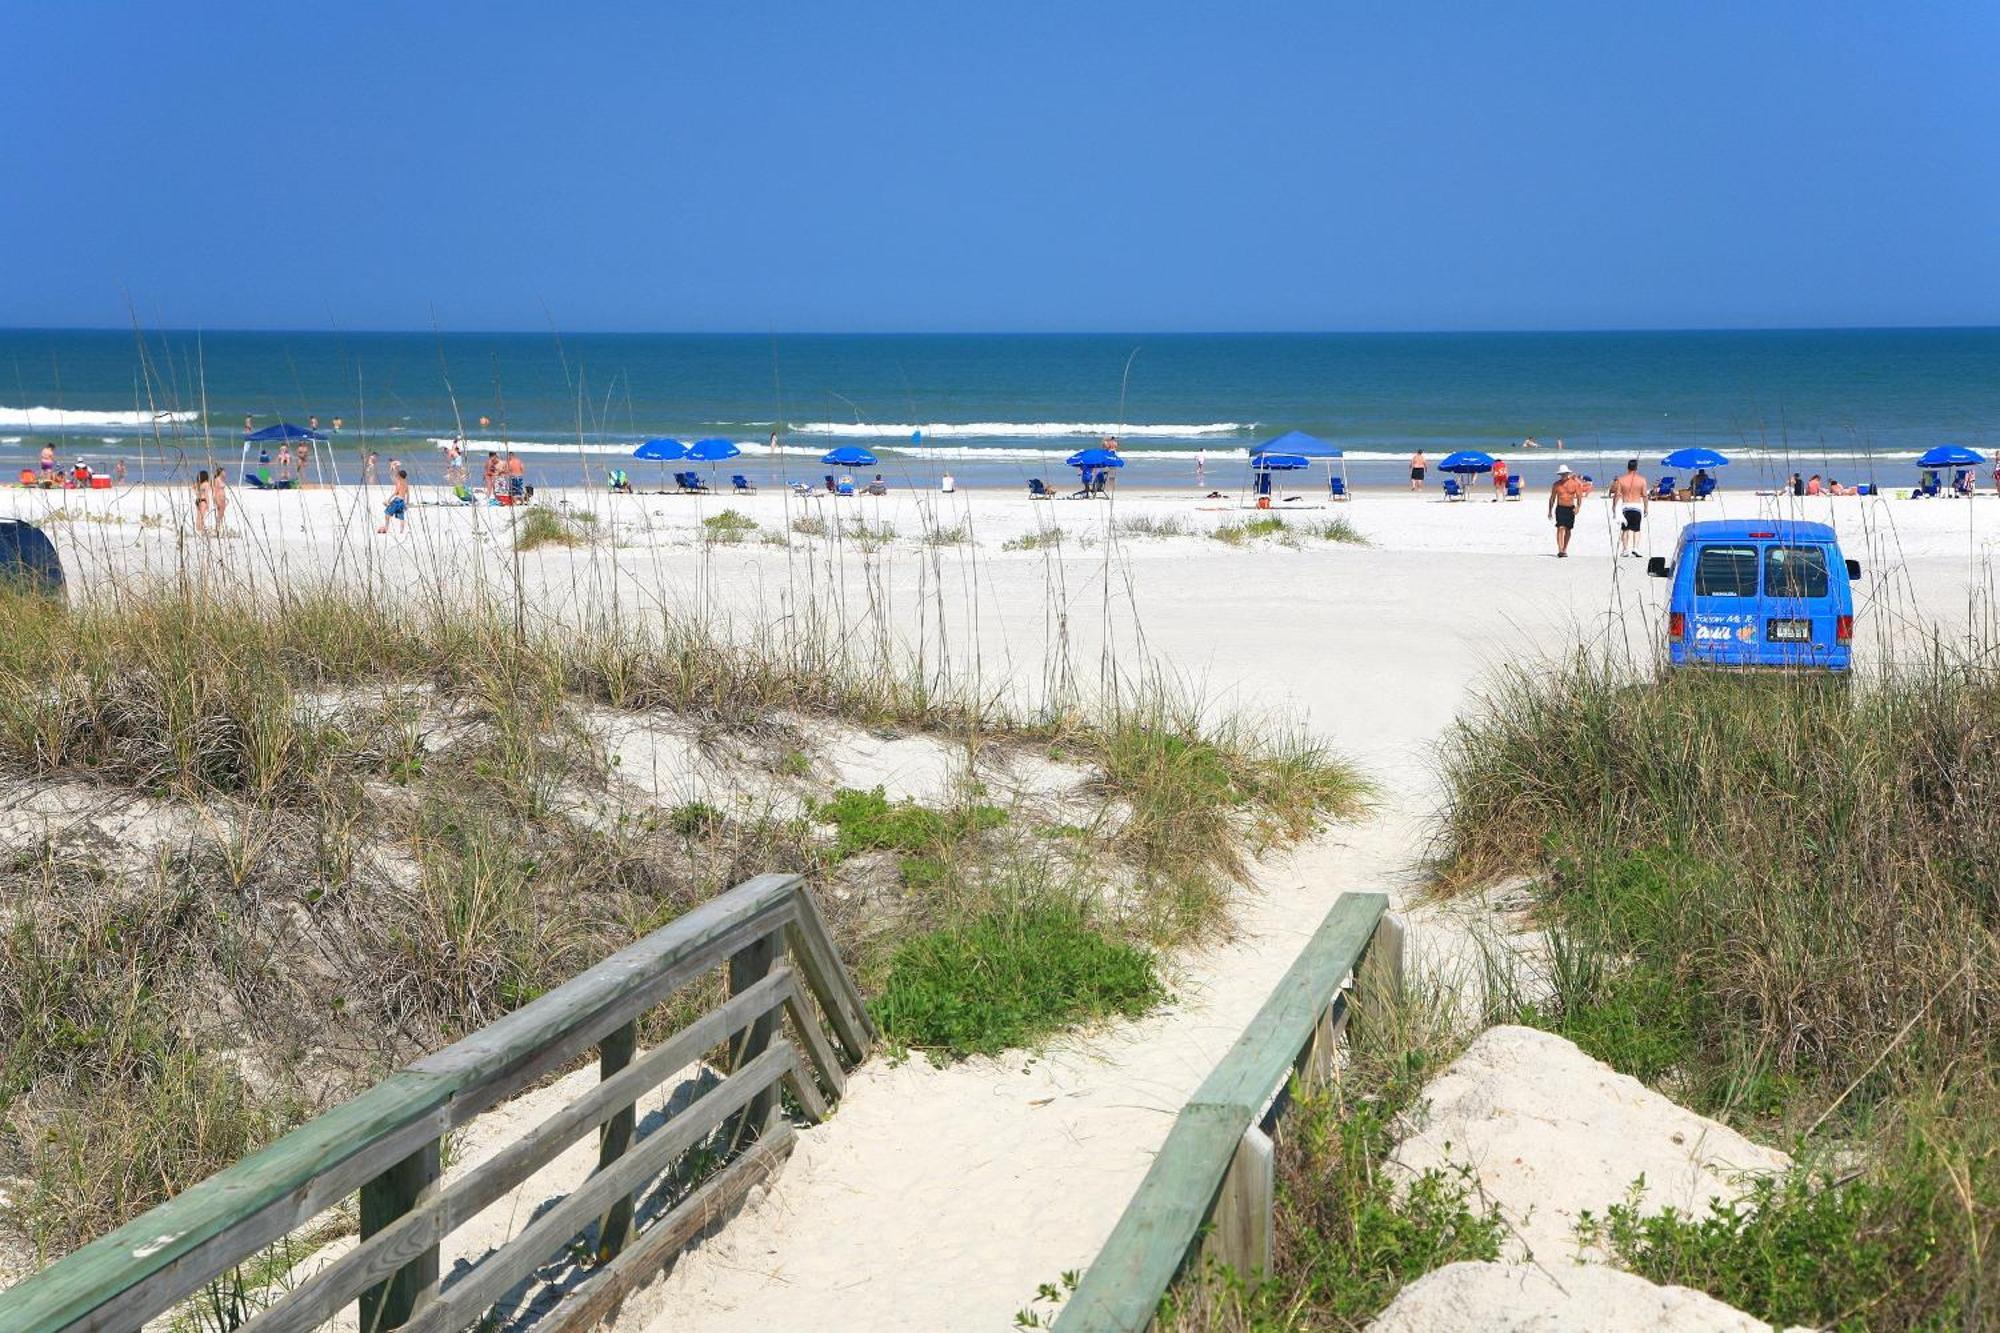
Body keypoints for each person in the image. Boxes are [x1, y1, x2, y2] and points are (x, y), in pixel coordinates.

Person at [1609, 457, 1649, 558]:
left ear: (1628, 467)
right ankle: (1635, 548)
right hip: (1637, 506)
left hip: (1626, 507)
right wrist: (1646, 508)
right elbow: (1644, 495)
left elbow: (1617, 495)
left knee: (1625, 529)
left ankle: (1626, 549)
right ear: (1636, 468)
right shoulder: (1642, 480)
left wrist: (1614, 506)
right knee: (1636, 529)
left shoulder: (1621, 480)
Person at [1547, 463, 1586, 558]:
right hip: (1560, 508)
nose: (1563, 475)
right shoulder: (1556, 485)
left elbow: (1579, 497)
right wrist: (1550, 511)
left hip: (1570, 509)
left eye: (1565, 473)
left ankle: (1564, 549)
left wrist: (1578, 507)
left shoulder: (1575, 484)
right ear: (1559, 474)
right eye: (1561, 474)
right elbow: (1552, 498)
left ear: (1568, 473)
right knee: (1560, 528)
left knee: (1568, 530)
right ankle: (1560, 550)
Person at [377, 468, 410, 534]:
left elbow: (396, 492)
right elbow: (408, 494)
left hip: (397, 500)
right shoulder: (406, 484)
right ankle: (401, 531)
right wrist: (407, 504)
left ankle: (386, 528)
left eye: (398, 476)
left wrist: (388, 499)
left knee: (387, 514)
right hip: (402, 501)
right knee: (401, 517)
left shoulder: (399, 482)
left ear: (400, 476)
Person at [210, 466, 229, 532]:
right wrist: (215, 499)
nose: (225, 473)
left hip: (223, 497)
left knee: (222, 513)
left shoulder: (222, 479)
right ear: (220, 472)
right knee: (219, 513)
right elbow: (214, 490)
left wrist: (225, 498)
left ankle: (219, 526)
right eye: (224, 472)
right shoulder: (217, 480)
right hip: (219, 497)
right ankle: (217, 527)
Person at [193, 469, 210, 535]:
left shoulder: (199, 484)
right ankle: (202, 530)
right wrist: (208, 504)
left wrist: (196, 491)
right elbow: (206, 495)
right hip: (203, 500)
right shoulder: (206, 484)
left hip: (198, 500)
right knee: (202, 516)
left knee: (198, 516)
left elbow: (195, 490)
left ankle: (198, 528)